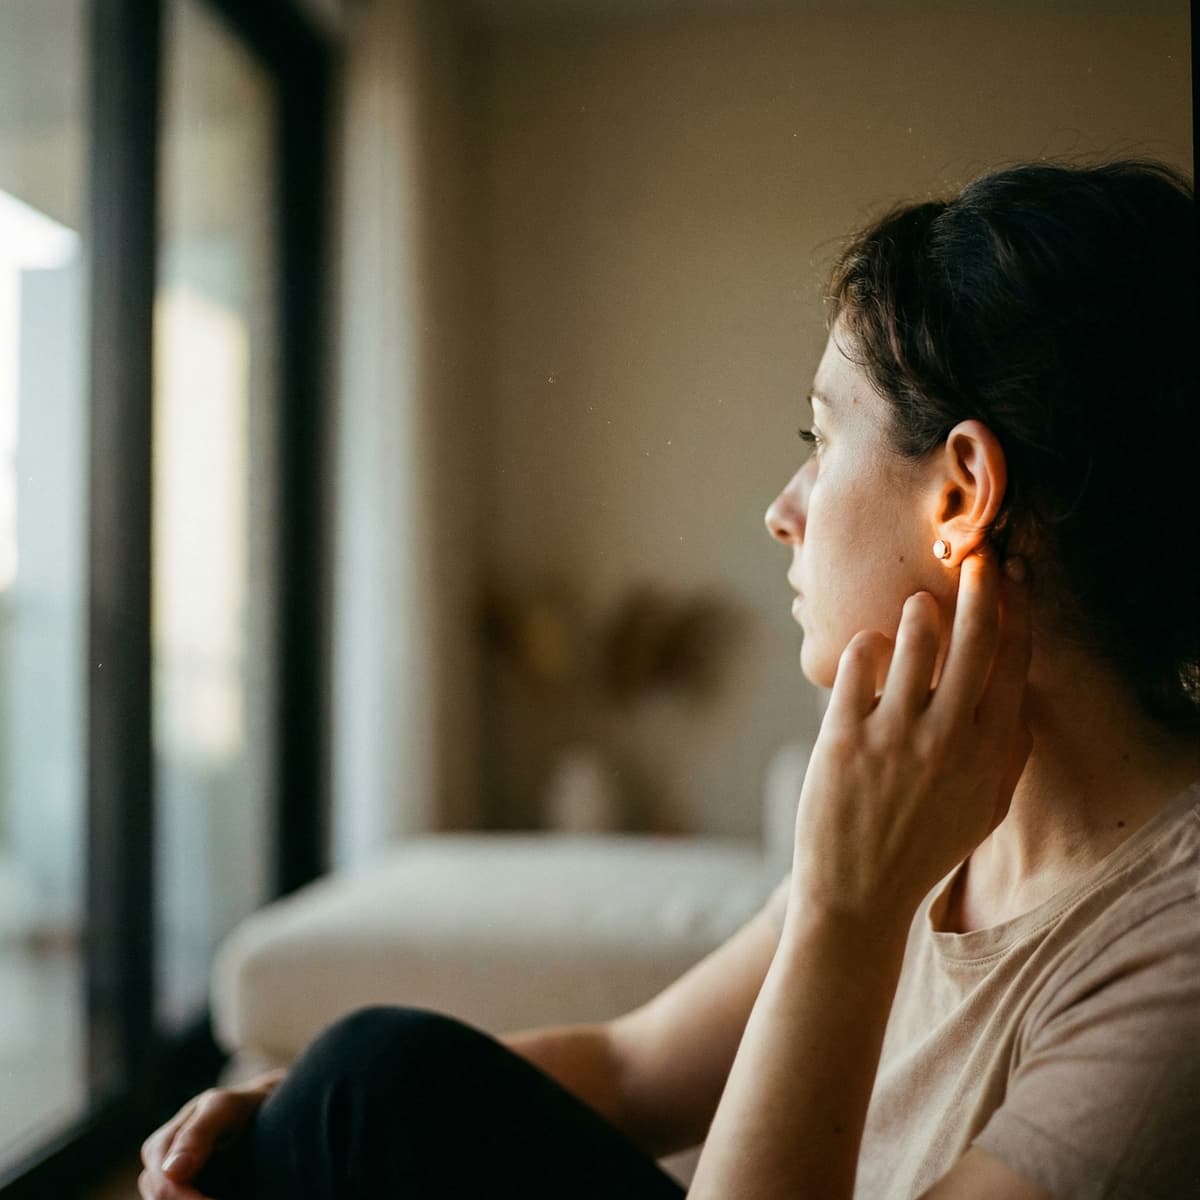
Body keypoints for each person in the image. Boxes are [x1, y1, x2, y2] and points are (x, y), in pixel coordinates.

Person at [138, 158, 1199, 1200]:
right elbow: (638, 1069)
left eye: (820, 440)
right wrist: (301, 1123)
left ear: (962, 493)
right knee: (369, 1083)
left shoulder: (1170, 962)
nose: (784, 509)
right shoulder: (941, 802)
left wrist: (846, 911)